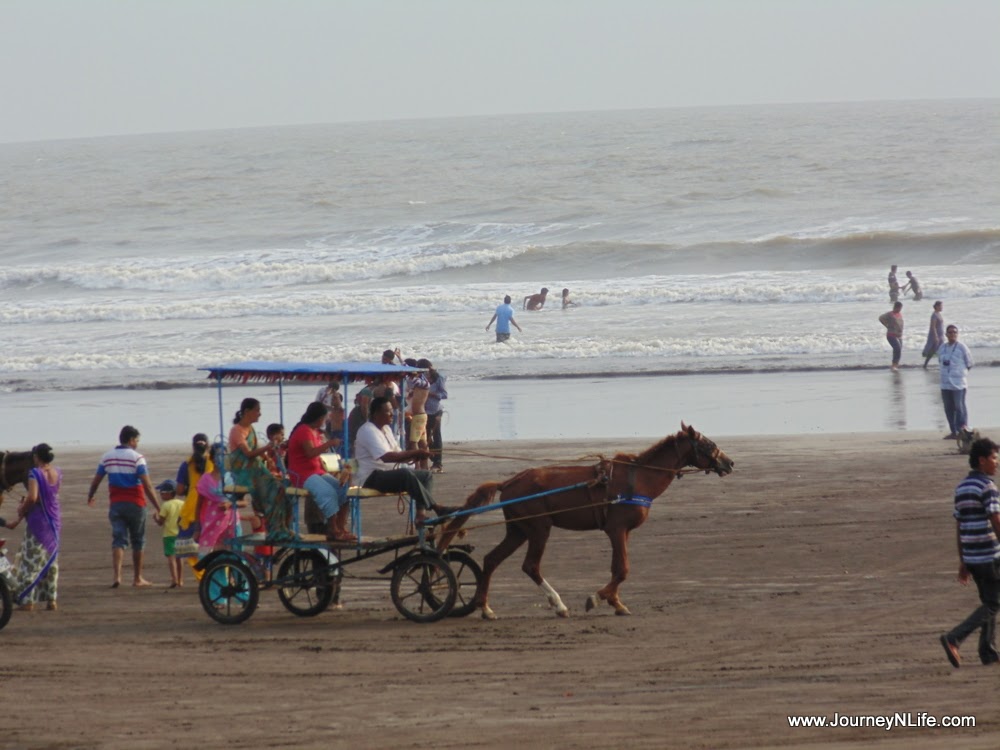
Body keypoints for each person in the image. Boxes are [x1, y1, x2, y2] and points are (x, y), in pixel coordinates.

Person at [940, 437, 1000, 668]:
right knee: (993, 604)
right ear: (982, 460)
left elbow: (960, 525)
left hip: (972, 556)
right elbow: (995, 520)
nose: (997, 462)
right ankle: (954, 638)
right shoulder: (987, 487)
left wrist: (963, 560)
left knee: (988, 600)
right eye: (994, 458)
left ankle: (988, 651)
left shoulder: (962, 487)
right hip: (988, 555)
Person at [354, 396, 454, 525]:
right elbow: (387, 457)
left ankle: (421, 515)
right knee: (405, 474)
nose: (392, 414)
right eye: (388, 411)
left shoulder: (386, 429)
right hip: (370, 477)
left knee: (426, 475)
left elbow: (398, 453)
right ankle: (437, 508)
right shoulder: (368, 430)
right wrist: (415, 452)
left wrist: (416, 456)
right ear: (376, 414)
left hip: (387, 474)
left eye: (392, 410)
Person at [86, 425, 163, 588]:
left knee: (118, 540)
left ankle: (117, 576)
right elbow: (147, 485)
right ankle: (137, 578)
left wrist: (91, 495)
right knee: (138, 541)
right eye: (137, 440)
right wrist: (158, 506)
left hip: (116, 503)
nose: (137, 443)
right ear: (131, 440)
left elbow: (96, 480)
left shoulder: (107, 457)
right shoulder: (137, 458)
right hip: (136, 503)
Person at [3, 443, 60, 611]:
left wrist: (23, 508)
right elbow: (50, 495)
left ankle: (27, 601)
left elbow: (33, 497)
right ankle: (51, 599)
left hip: (38, 520)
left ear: (36, 457)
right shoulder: (56, 472)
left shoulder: (34, 473)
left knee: (30, 559)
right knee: (50, 559)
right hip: (53, 518)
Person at [286, 401, 354, 541]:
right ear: (319, 418)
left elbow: (318, 457)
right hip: (302, 474)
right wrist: (329, 443)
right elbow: (310, 453)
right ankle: (333, 528)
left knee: (344, 489)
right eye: (324, 417)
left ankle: (340, 526)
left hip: (316, 471)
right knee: (328, 492)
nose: (326, 420)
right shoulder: (303, 430)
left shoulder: (315, 432)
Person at [227, 398, 288, 540]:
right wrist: (268, 447)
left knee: (279, 487)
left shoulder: (251, 429)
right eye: (257, 410)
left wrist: (267, 459)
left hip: (254, 468)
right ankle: (268, 521)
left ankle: (277, 524)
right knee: (271, 488)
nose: (259, 414)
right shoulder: (237, 430)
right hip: (243, 472)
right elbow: (248, 454)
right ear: (247, 411)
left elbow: (255, 449)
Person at [196, 447, 246, 553]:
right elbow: (199, 505)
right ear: (212, 458)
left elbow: (244, 502)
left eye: (224, 455)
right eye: (218, 455)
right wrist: (197, 528)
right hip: (211, 522)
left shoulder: (233, 478)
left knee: (235, 554)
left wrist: (230, 504)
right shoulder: (205, 479)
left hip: (232, 522)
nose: (222, 458)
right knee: (208, 554)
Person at [939, 324, 974, 440]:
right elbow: (940, 361)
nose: (952, 334)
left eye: (955, 332)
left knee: (959, 407)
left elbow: (969, 363)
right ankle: (953, 431)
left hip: (958, 383)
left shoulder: (962, 347)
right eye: (950, 332)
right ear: (946, 334)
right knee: (948, 408)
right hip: (945, 383)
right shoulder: (942, 348)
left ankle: (963, 430)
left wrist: (960, 373)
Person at [154, 479, 185, 588]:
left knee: (171, 558)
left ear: (169, 493)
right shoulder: (182, 503)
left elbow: (161, 522)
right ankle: (180, 580)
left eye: (162, 493)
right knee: (180, 558)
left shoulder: (166, 505)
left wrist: (156, 518)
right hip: (181, 534)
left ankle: (174, 579)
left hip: (169, 535)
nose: (161, 495)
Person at [404, 361, 431, 470]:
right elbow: (411, 380)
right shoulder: (419, 382)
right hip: (420, 416)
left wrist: (412, 373)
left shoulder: (424, 383)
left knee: (413, 442)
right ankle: (424, 467)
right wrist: (401, 360)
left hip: (419, 416)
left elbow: (414, 380)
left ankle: (417, 466)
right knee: (422, 442)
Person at [422, 359, 447, 473]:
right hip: (424, 411)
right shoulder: (422, 378)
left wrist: (431, 394)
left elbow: (444, 394)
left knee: (436, 436)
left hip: (436, 410)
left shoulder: (438, 378)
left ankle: (438, 463)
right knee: (426, 436)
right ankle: (432, 457)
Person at [878, 301, 904, 371]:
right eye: (899, 308)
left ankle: (896, 364)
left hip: (899, 335)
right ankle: (894, 365)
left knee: (898, 350)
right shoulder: (890, 314)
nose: (900, 309)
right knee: (897, 348)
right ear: (896, 307)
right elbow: (880, 318)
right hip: (891, 334)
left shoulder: (899, 314)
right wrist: (887, 325)